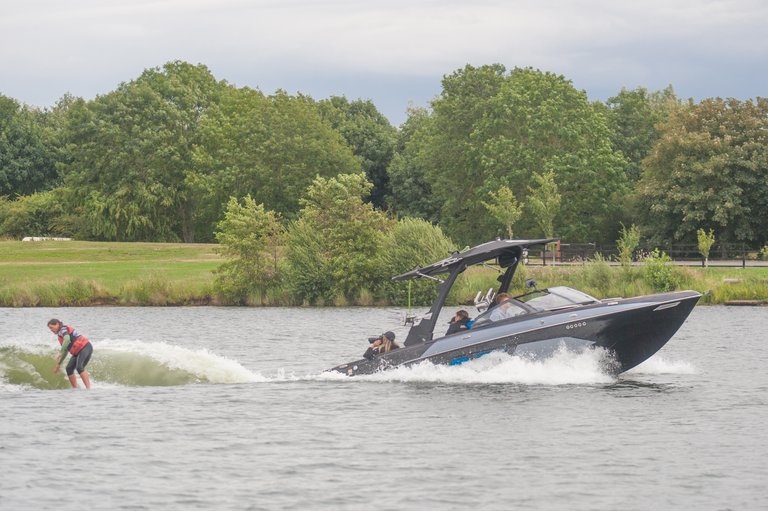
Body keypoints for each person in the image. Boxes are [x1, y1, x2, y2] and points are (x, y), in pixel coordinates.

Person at [48, 319, 93, 389]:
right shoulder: (60, 337)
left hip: (85, 347)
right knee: (69, 368)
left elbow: (67, 339)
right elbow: (65, 351)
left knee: (79, 367)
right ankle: (75, 388)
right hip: (77, 352)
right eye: (50, 328)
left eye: (51, 327)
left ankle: (89, 389)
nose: (51, 330)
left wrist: (60, 352)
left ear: (57, 324)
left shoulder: (63, 329)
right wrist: (59, 364)